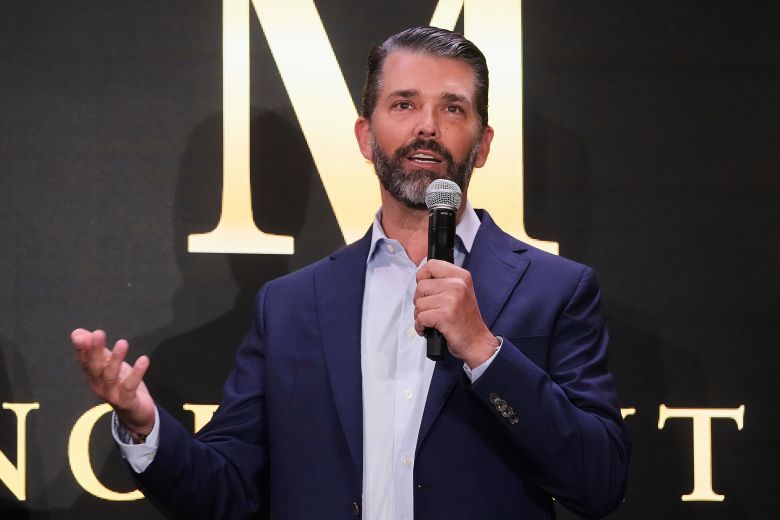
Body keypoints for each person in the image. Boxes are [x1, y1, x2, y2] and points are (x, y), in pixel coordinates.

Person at [71, 26, 629, 520]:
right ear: (365, 136)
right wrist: (144, 425)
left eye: (453, 109)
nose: (428, 127)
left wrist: (485, 353)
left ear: (483, 146)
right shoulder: (290, 305)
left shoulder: (556, 291)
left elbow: (599, 483)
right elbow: (227, 492)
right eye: (404, 104)